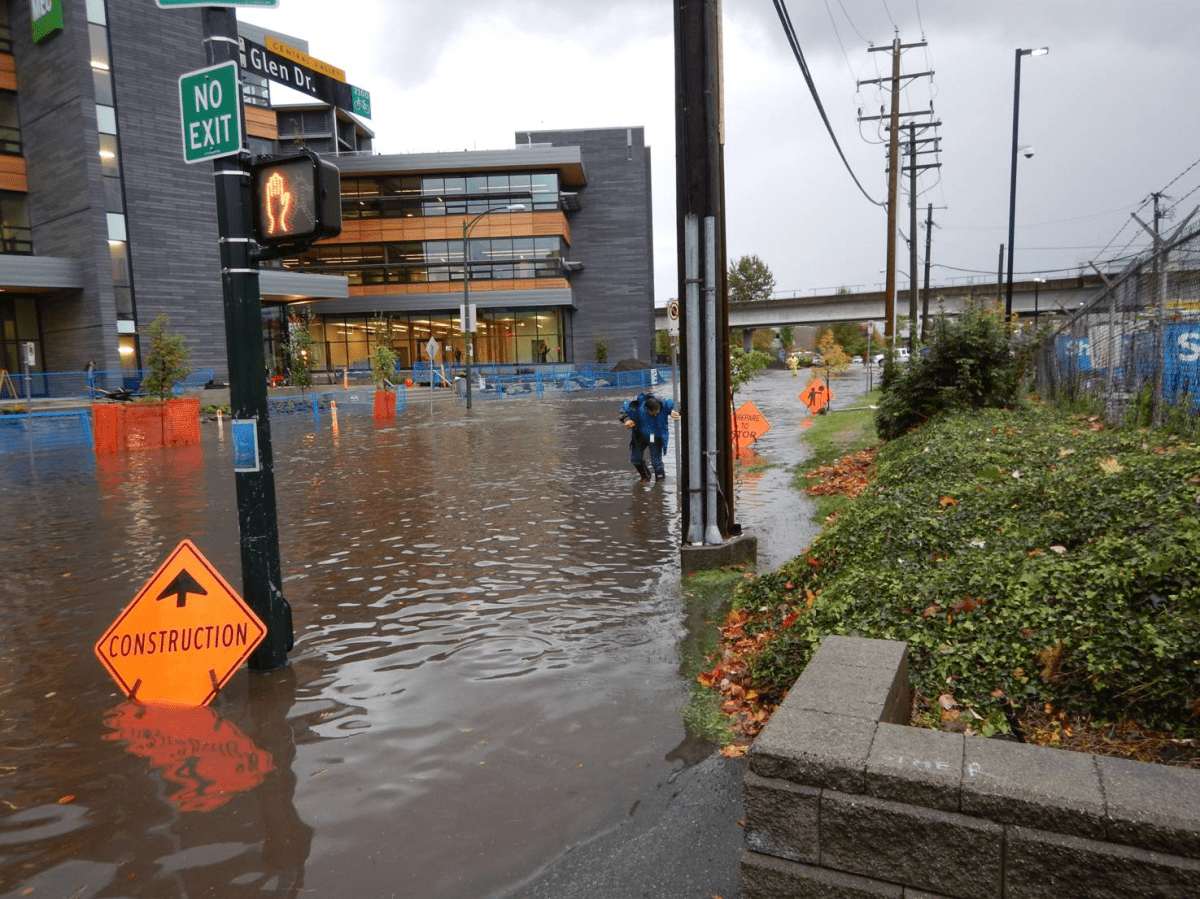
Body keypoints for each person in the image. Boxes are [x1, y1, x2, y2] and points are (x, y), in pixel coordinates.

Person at [619, 392, 679, 482]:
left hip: (656, 437)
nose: (655, 415)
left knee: (656, 463)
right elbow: (624, 410)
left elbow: (677, 405)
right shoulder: (637, 407)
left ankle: (660, 485)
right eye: (653, 414)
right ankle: (645, 476)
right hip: (640, 436)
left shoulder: (663, 405)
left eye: (657, 413)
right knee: (635, 459)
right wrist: (626, 420)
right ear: (646, 409)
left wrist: (676, 412)